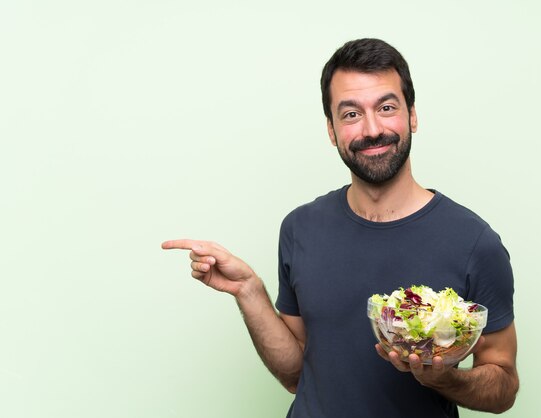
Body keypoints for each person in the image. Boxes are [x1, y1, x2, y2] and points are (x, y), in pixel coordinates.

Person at [162, 38, 519, 417]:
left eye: (386, 107)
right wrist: (248, 291)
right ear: (332, 130)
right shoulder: (300, 228)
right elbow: (297, 375)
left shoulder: (473, 242)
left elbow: (503, 388)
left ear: (412, 115)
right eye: (350, 114)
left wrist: (442, 378)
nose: (372, 129)